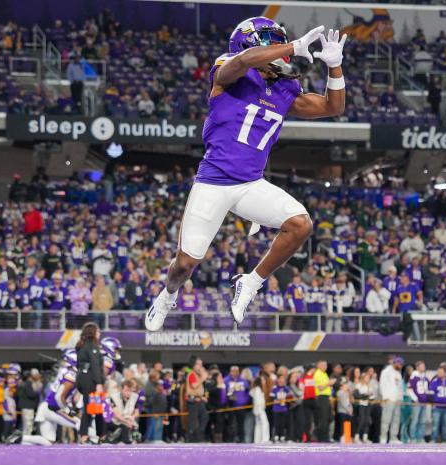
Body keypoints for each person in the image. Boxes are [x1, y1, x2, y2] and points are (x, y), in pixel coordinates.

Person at [145, 19, 347, 331]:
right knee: (184, 264)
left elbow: (333, 107)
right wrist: (293, 45)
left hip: (250, 183)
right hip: (213, 181)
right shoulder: (231, 69)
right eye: (266, 41)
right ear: (247, 43)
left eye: (276, 42)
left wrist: (335, 67)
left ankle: (250, 283)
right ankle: (167, 296)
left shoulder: (285, 88)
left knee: (300, 224)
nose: (274, 48)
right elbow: (242, 61)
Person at [74, 322, 105, 444]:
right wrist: (99, 383)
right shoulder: (92, 347)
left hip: (82, 378)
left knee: (91, 407)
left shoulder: (81, 347)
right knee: (94, 408)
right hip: (90, 379)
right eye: (98, 331)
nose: (100, 333)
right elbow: (95, 365)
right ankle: (94, 436)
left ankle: (90, 435)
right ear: (93, 333)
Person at [379, 355, 404, 444]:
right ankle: (383, 437)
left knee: (396, 420)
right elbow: (382, 384)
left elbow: (400, 387)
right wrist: (385, 397)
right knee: (386, 419)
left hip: (397, 400)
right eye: (400, 364)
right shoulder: (386, 371)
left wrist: (400, 398)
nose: (401, 366)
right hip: (389, 399)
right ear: (395, 363)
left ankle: (393, 438)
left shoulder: (398, 373)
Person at [184, 357, 209, 442]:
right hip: (193, 401)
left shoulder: (197, 375)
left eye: (201, 364)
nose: (200, 366)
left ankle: (198, 436)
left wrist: (202, 397)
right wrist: (203, 378)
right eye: (198, 364)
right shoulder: (191, 374)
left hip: (199, 399)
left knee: (204, 417)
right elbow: (194, 386)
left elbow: (198, 389)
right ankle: (192, 438)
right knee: (194, 421)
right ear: (193, 365)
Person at [313, 360, 334, 442]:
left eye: (326, 365)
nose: (326, 367)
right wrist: (329, 383)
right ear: (319, 365)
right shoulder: (318, 374)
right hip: (321, 397)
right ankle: (321, 436)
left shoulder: (324, 374)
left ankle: (322, 435)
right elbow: (320, 388)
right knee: (323, 418)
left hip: (326, 397)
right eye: (324, 365)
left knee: (329, 417)